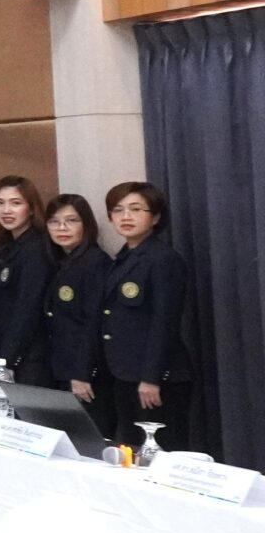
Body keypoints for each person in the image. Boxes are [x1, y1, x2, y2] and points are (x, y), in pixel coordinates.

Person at [102, 181, 195, 448]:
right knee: (131, 451)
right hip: (126, 373)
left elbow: (165, 322)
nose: (126, 216)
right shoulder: (124, 257)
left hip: (156, 378)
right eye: (118, 210)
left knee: (161, 453)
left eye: (136, 209)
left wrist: (151, 378)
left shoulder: (163, 259)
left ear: (154, 217)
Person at [42, 194, 114, 439]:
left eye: (71, 220)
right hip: (62, 368)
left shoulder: (94, 262)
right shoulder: (62, 262)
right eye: (54, 222)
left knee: (90, 442)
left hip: (86, 374)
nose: (62, 228)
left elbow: (93, 322)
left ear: (87, 224)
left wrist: (82, 372)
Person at [0, 176, 55, 387]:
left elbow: (27, 308)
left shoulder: (36, 249)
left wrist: (7, 360)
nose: (6, 210)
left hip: (29, 356)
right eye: (0, 203)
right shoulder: (8, 245)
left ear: (32, 208)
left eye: (16, 203)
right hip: (11, 351)